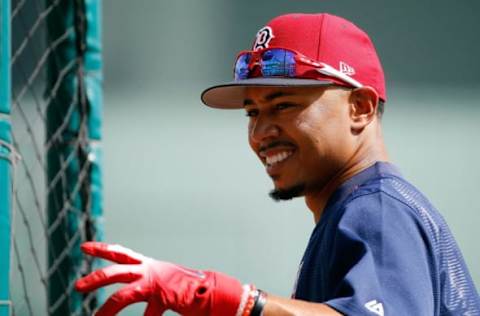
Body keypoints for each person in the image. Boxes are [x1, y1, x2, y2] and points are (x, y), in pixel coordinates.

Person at [75, 13, 480, 316]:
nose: (261, 132)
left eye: (283, 105)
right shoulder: (354, 210)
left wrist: (237, 301)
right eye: (252, 112)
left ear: (360, 107)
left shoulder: (377, 210)